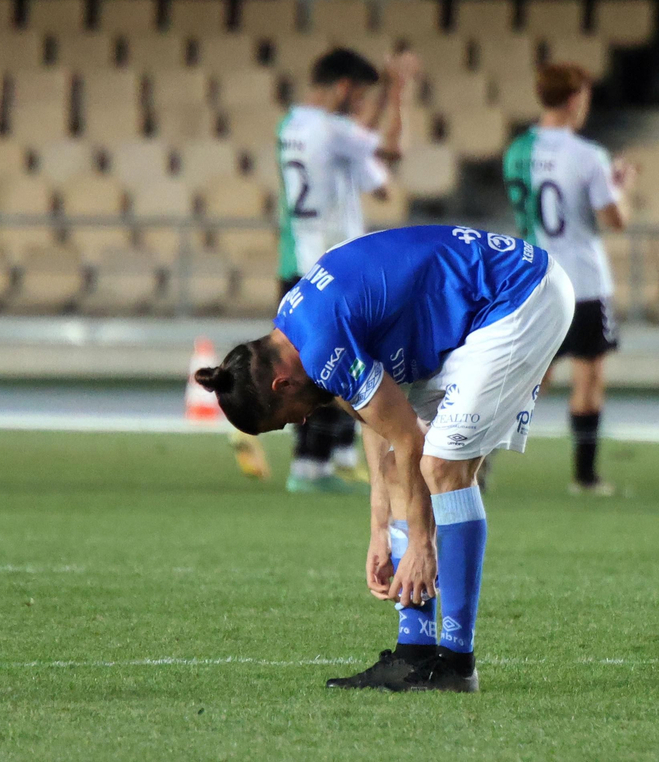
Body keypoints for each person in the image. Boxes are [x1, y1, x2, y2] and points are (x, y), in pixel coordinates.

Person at [196, 225, 574, 692]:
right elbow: (380, 422)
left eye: (286, 418)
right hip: (480, 306)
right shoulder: (296, 328)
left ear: (282, 385)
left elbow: (408, 436)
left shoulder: (321, 343)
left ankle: (457, 664)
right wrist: (379, 530)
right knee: (400, 470)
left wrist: (421, 545)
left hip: (520, 295)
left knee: (441, 466)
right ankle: (414, 652)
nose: (301, 421)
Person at [266, 47, 417, 494]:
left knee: (315, 364)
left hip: (295, 260)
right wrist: (397, 92)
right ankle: (314, 463)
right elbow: (393, 149)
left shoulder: (291, 125)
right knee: (338, 365)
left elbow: (377, 181)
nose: (362, 106)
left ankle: (329, 456)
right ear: (344, 87)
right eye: (360, 96)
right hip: (331, 268)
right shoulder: (332, 130)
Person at [503, 62, 636, 495]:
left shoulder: (516, 151)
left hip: (534, 278)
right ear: (575, 99)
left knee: (527, 378)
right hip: (582, 280)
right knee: (588, 376)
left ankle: (474, 461)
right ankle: (585, 477)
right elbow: (614, 219)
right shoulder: (587, 155)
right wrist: (621, 187)